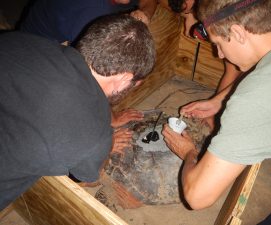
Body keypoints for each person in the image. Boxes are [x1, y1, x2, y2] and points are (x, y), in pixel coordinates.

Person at [162, 0, 271, 224]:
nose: (220, 55)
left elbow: (197, 197)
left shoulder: (258, 100)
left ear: (238, 32)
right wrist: (221, 100)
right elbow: (270, 64)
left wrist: (188, 152)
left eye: (218, 43)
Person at [0, 14, 155, 210]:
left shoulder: (20, 40)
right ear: (125, 79)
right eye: (136, 84)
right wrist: (108, 143)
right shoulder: (94, 137)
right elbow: (85, 177)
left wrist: (109, 117)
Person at [19, 0, 158, 45]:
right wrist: (110, 114)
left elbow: (149, 1)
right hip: (35, 47)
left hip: (71, 33)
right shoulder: (92, 9)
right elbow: (91, 71)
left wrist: (145, 13)